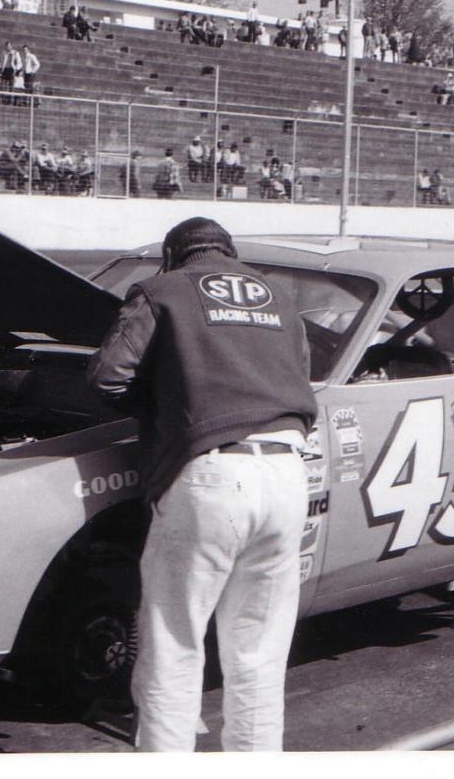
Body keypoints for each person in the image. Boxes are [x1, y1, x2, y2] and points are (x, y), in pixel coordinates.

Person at [89, 216, 316, 752]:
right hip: (288, 472)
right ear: (229, 254)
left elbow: (107, 377)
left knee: (174, 645)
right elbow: (297, 376)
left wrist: (164, 407)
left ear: (173, 255)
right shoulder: (281, 299)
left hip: (213, 474)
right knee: (259, 653)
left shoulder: (162, 289)